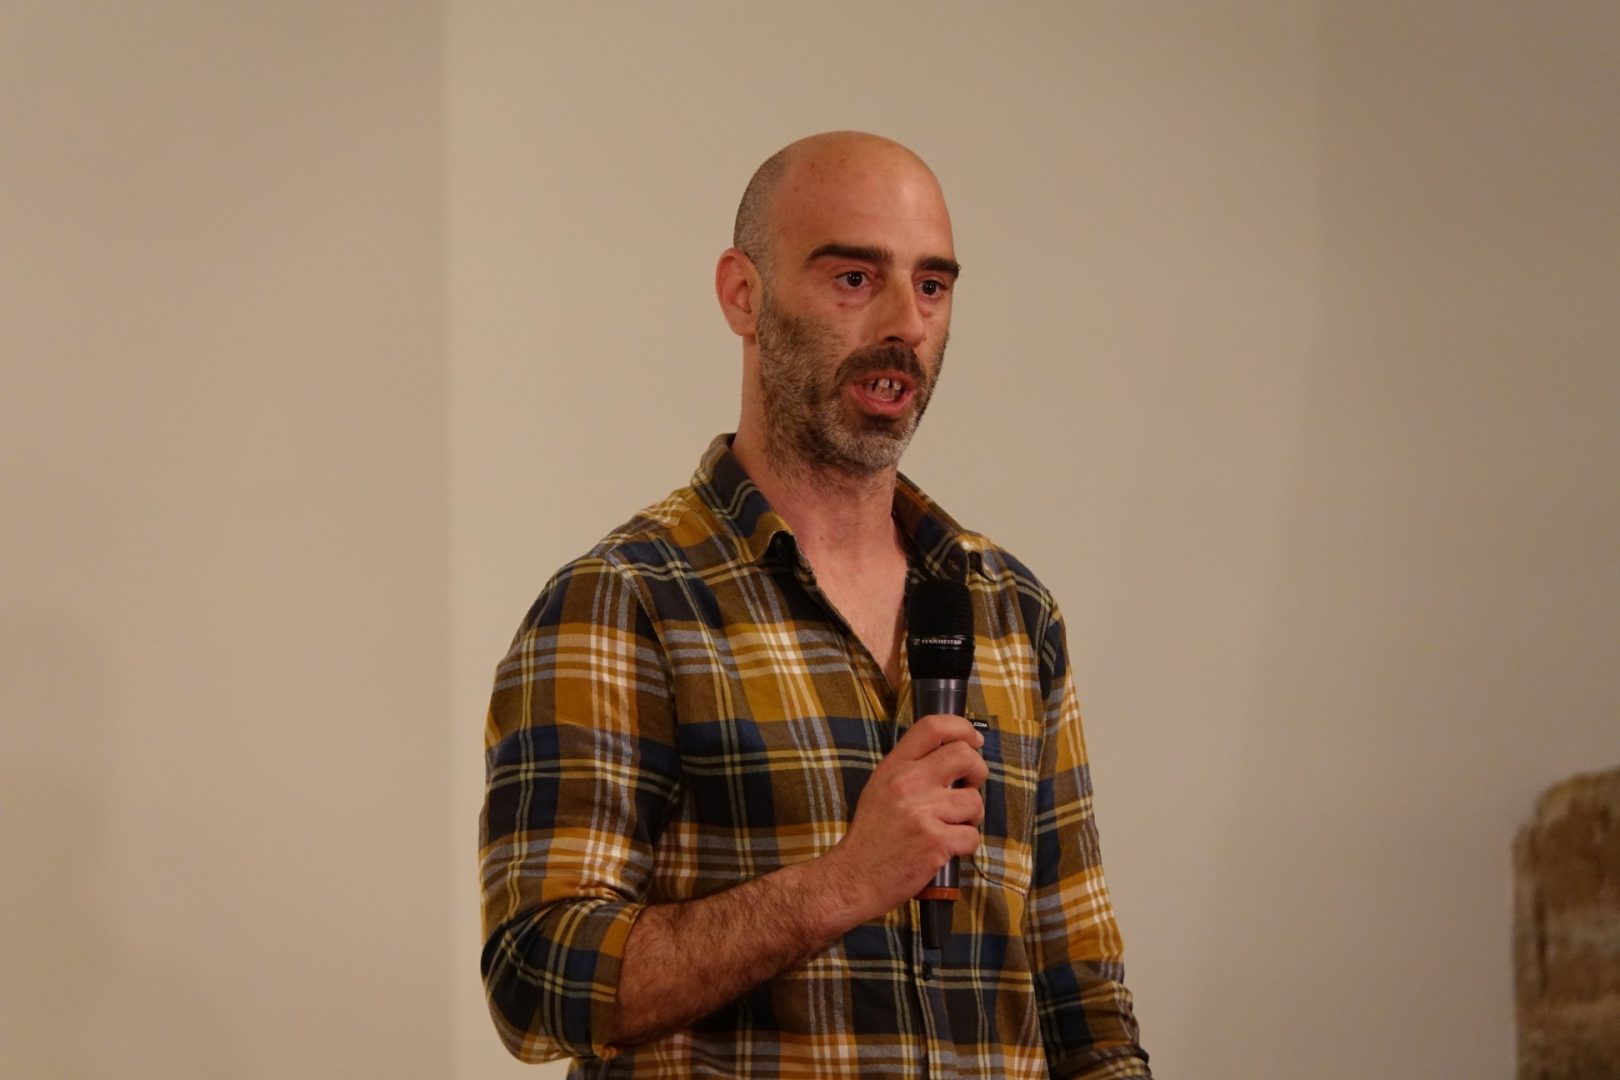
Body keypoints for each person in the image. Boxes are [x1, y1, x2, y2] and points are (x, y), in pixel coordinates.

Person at [480, 131, 1151, 1078]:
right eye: (854, 278)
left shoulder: (1010, 610)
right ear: (742, 295)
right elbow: (535, 982)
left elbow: (1082, 1001)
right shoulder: (626, 601)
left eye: (932, 285)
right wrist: (843, 884)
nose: (905, 324)